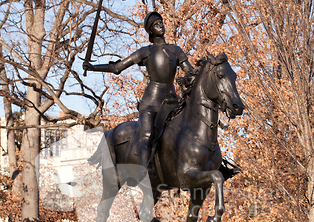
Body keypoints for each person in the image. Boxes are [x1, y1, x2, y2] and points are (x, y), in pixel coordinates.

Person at [83, 11, 240, 183]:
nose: (159, 24)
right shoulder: (145, 52)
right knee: (148, 134)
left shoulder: (175, 50)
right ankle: (145, 169)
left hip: (172, 101)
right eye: (155, 23)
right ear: (150, 30)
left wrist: (191, 77)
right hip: (150, 103)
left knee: (193, 128)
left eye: (160, 21)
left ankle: (215, 164)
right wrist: (93, 67)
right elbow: (118, 68)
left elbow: (190, 72)